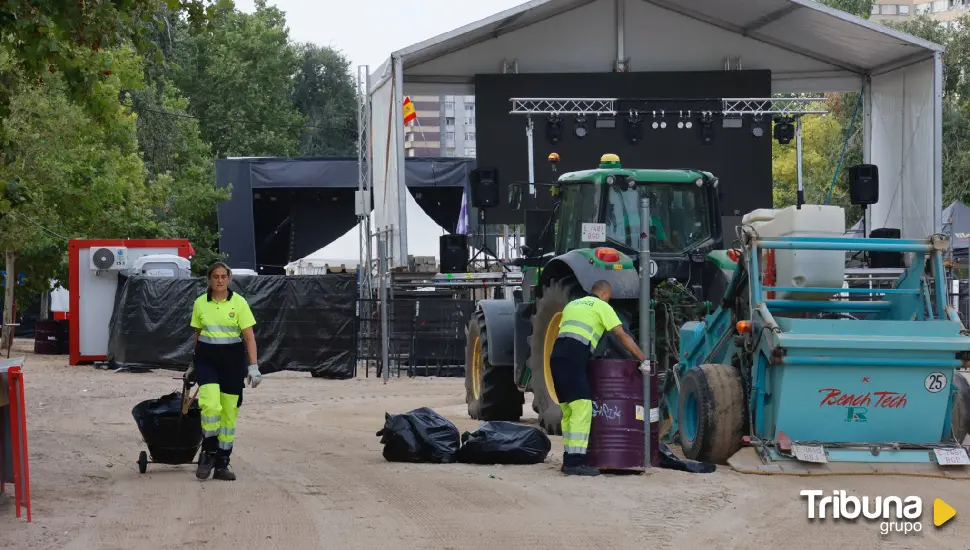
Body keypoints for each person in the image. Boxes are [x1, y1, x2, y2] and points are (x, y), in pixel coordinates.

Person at [550, 280, 647, 476]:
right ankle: (575, 463)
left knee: (568, 409)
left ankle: (569, 458)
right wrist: (643, 358)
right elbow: (622, 336)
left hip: (556, 357)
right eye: (609, 298)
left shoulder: (572, 305)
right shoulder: (602, 306)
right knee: (582, 407)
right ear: (604, 294)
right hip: (574, 357)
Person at [184, 262, 262, 481]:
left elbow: (249, 337)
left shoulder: (239, 303)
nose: (219, 280)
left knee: (228, 414)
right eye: (215, 276)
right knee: (210, 405)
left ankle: (222, 463)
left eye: (223, 276)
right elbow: (197, 335)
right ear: (209, 279)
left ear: (229, 279)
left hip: (232, 362)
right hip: (207, 359)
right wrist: (193, 363)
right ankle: (208, 454)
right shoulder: (200, 303)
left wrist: (253, 366)